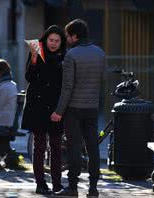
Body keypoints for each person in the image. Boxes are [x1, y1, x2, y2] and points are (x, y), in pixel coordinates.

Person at [50, 19, 105, 198]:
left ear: (74, 36)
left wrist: (58, 111)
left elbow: (67, 87)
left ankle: (72, 187)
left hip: (73, 108)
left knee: (74, 147)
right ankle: (93, 188)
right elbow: (101, 81)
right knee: (93, 147)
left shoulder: (71, 55)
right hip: (92, 108)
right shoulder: (100, 53)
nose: (66, 38)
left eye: (67, 35)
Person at [21, 25, 66, 195]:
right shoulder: (37, 51)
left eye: (57, 40)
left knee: (56, 146)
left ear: (61, 42)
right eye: (51, 40)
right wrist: (33, 57)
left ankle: (57, 184)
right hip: (37, 105)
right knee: (39, 146)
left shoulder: (64, 56)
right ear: (45, 39)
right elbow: (29, 77)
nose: (53, 44)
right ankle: (40, 183)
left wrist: (62, 108)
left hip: (56, 105)